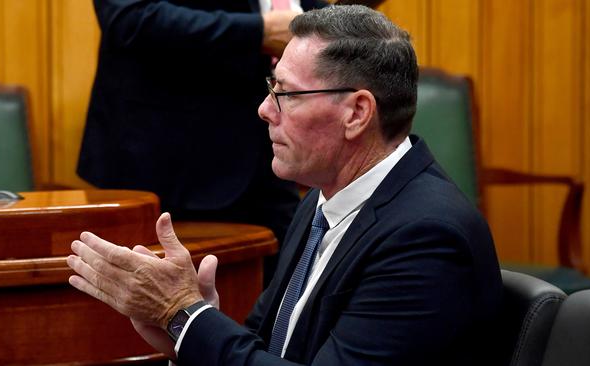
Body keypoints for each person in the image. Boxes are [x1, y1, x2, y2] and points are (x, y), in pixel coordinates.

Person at [67, 5, 502, 365]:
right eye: (270, 87)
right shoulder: (320, 203)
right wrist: (186, 330)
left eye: (285, 94)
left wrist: (184, 315)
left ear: (356, 113)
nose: (263, 110)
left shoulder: (423, 237)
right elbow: (266, 346)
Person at [77, 0, 328, 285]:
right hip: (167, 157)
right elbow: (128, 19)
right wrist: (258, 31)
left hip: (271, 145)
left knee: (286, 292)